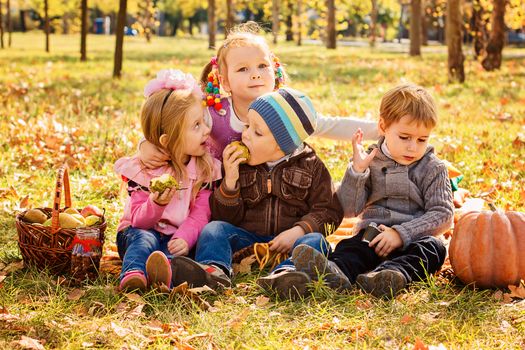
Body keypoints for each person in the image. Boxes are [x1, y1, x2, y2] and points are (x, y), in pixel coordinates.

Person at [169, 87, 344, 299]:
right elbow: (225, 217)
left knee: (316, 240)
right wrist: (230, 183)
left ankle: (287, 273)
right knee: (214, 229)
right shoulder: (241, 165)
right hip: (248, 240)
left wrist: (299, 231)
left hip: (290, 243)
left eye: (257, 132)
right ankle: (213, 270)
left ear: (283, 146)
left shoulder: (312, 166)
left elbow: (329, 211)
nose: (245, 135)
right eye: (247, 126)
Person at [292, 83, 454, 298]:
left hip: (415, 237)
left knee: (434, 249)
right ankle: (337, 272)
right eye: (404, 137)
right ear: (383, 126)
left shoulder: (433, 168)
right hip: (374, 233)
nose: (412, 147)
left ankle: (390, 276)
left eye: (422, 139)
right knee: (352, 246)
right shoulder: (370, 160)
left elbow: (443, 214)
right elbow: (350, 209)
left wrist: (400, 234)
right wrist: (357, 172)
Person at [138, 22, 378, 166]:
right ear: (224, 81)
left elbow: (328, 125)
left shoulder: (284, 110)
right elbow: (173, 128)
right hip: (220, 197)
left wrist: (379, 130)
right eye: (243, 69)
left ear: (274, 69)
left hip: (272, 197)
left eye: (262, 66)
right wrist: (144, 146)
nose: (256, 74)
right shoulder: (214, 112)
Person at [114, 69, 221, 292]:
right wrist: (157, 204)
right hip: (136, 234)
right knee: (145, 240)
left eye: (204, 121)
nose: (207, 130)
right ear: (167, 140)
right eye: (197, 126)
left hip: (176, 235)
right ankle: (134, 274)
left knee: (176, 254)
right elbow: (138, 222)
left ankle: (165, 276)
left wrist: (185, 236)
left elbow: (201, 212)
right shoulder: (146, 170)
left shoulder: (203, 168)